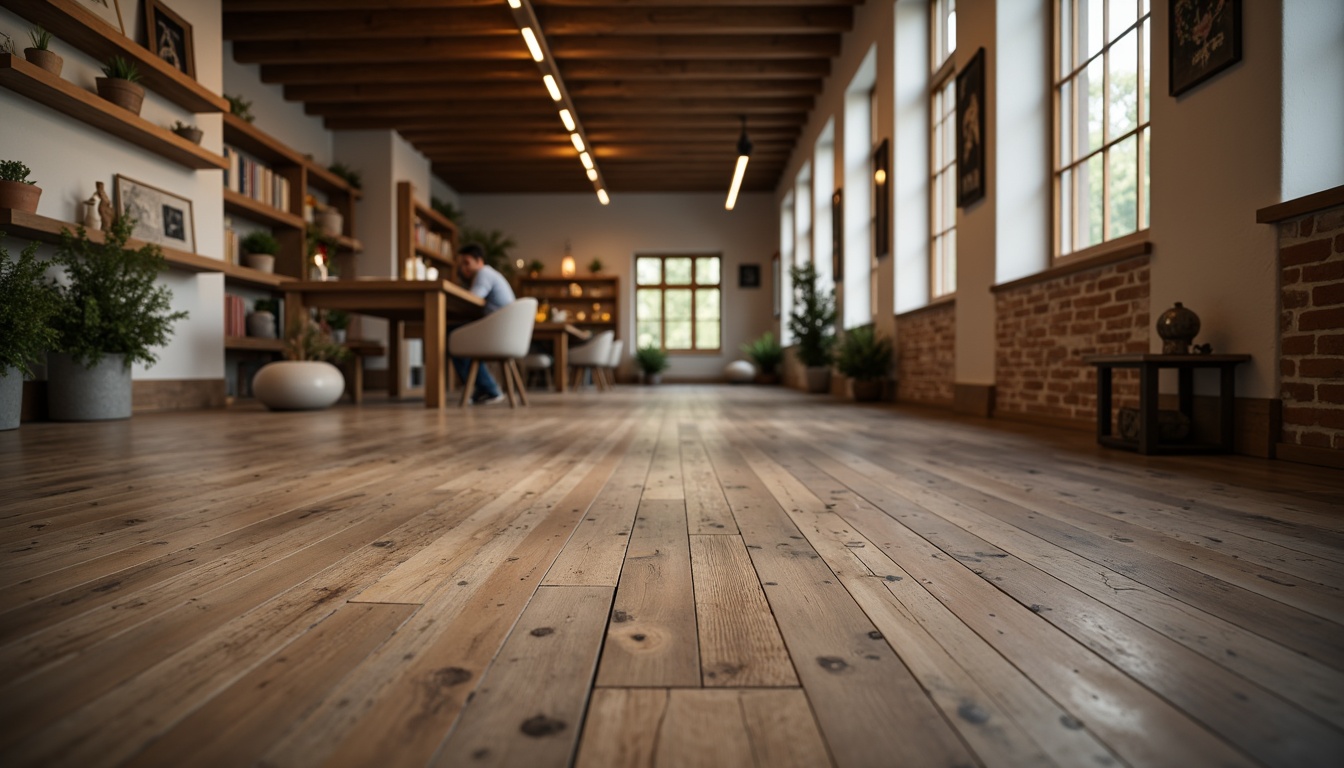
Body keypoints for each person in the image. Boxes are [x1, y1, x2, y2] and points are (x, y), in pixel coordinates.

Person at [453, 243, 516, 404]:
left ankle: (488, 388)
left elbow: (473, 299)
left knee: (452, 336)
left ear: (479, 261)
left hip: (498, 334)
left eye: (467, 263)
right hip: (507, 334)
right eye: (461, 264)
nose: (464, 268)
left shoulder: (484, 274)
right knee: (457, 335)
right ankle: (485, 388)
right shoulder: (490, 274)